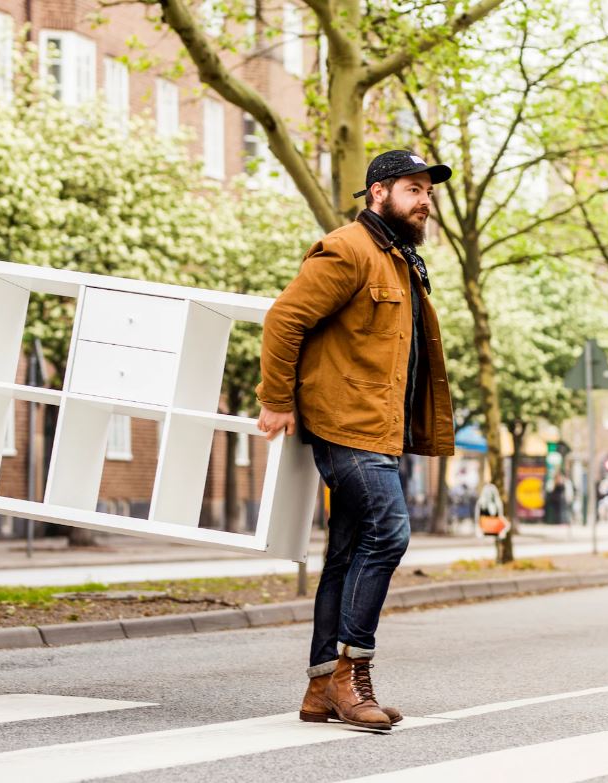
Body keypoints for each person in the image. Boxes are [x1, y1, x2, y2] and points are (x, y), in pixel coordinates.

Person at [256, 150, 456, 731]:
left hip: (379, 427)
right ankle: (351, 671)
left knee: (346, 553)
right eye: (414, 190)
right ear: (378, 194)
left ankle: (321, 688)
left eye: (428, 192)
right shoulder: (348, 249)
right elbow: (285, 320)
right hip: (347, 426)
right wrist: (276, 400)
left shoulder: (397, 259)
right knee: (389, 533)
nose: (425, 201)